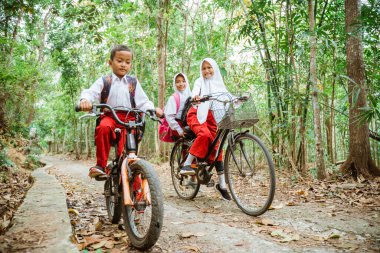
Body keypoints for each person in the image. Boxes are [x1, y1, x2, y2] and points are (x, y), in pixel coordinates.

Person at [79, 44, 163, 177]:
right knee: (103, 128)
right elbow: (90, 92)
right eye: (119, 61)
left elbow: (143, 101)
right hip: (110, 116)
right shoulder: (105, 81)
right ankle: (100, 165)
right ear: (110, 63)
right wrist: (85, 100)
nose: (123, 64)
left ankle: (132, 183)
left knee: (127, 152)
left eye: (127, 62)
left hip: (130, 118)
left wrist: (152, 109)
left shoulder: (133, 82)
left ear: (130, 65)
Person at [180, 58, 231, 201]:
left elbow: (226, 95)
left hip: (211, 116)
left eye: (209, 67)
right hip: (196, 113)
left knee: (218, 146)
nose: (207, 70)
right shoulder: (199, 81)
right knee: (204, 134)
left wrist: (237, 99)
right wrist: (195, 96)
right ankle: (187, 164)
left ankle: (222, 185)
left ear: (214, 68)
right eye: (204, 68)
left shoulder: (218, 83)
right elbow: (195, 91)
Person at [164, 73, 192, 138]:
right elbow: (169, 116)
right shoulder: (173, 98)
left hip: (189, 124)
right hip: (179, 127)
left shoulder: (190, 95)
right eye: (178, 82)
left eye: (183, 81)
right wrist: (179, 130)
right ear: (174, 84)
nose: (181, 84)